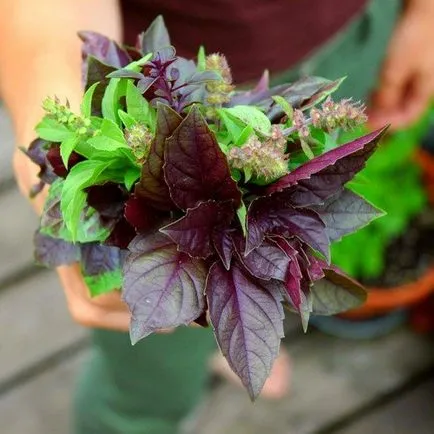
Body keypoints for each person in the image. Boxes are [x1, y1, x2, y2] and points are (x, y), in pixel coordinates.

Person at [1, 0, 434, 432]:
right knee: (149, 381)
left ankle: (228, 338)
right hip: (170, 88)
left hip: (355, 32)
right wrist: (59, 118)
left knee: (286, 249)